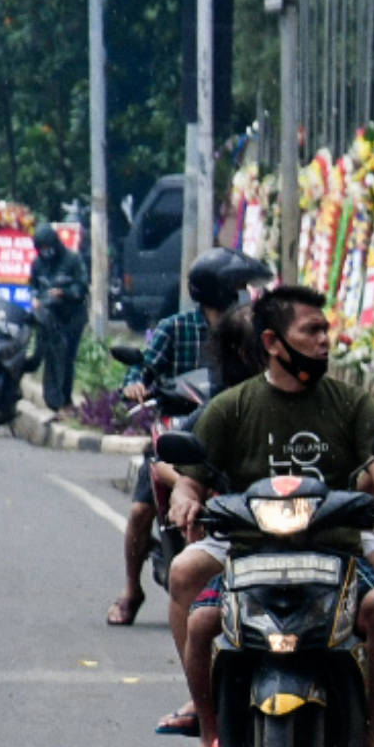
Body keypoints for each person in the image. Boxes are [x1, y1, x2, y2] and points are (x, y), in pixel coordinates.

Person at [159, 284, 374, 747]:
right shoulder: (233, 406)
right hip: (249, 548)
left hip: (335, 545)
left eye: (326, 329)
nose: (325, 340)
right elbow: (190, 473)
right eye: (312, 330)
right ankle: (208, 736)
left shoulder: (349, 402)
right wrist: (186, 497)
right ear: (275, 343)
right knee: (198, 608)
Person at [112, 249, 272, 628]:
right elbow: (143, 367)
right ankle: (131, 590)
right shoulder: (176, 328)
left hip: (233, 425)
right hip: (180, 424)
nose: (241, 291)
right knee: (139, 511)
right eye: (234, 284)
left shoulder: (246, 327)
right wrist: (135, 384)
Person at [28, 223, 89, 413]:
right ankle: (54, 401)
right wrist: (35, 298)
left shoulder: (72, 259)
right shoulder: (38, 264)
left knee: (67, 356)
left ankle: (66, 399)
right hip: (50, 317)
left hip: (72, 316)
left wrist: (63, 292)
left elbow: (82, 287)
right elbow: (32, 286)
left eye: (48, 247)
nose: (46, 252)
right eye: (42, 249)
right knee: (51, 355)